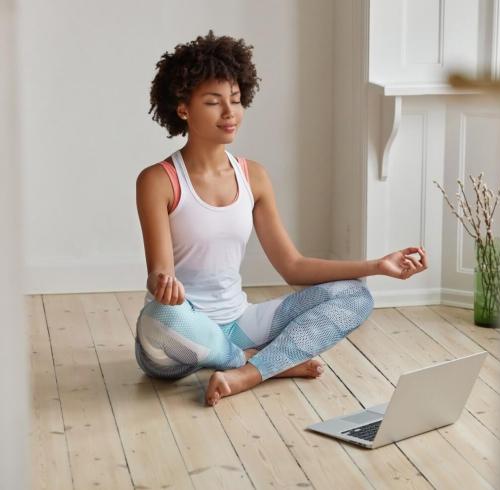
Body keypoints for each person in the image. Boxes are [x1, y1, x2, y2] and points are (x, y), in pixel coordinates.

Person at [135, 30, 428, 407]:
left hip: (239, 323)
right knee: (159, 316)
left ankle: (246, 372)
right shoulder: (158, 180)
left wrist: (377, 265)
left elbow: (293, 266)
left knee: (356, 294)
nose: (230, 113)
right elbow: (159, 273)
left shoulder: (252, 176)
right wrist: (163, 284)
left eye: (236, 101)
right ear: (183, 108)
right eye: (213, 102)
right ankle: (265, 362)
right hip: (180, 334)